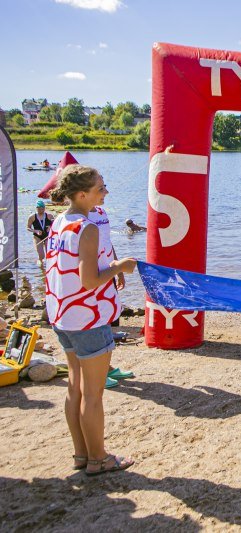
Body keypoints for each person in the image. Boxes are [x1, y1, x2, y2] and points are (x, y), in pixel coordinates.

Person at [44, 164, 137, 476]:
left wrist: (107, 265)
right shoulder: (88, 227)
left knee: (75, 388)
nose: (106, 192)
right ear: (82, 194)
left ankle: (81, 455)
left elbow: (67, 268)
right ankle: (100, 459)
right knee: (93, 394)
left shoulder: (59, 222)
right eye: (100, 188)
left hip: (62, 317)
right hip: (88, 318)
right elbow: (88, 280)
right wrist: (119, 268)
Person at [87, 206, 135, 389]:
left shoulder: (101, 212)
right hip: (94, 276)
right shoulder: (77, 216)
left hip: (108, 273)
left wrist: (118, 269)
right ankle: (96, 373)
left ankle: (107, 367)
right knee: (93, 323)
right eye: (100, 187)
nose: (105, 191)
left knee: (107, 320)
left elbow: (107, 242)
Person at [27, 199, 54, 266]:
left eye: (42, 209)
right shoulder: (32, 217)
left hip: (47, 236)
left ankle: (47, 269)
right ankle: (40, 264)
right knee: (41, 255)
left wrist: (50, 228)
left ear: (44, 208)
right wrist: (35, 231)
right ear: (36, 208)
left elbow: (55, 225)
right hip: (37, 236)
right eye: (39, 209)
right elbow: (28, 228)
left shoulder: (49, 216)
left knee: (49, 253)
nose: (41, 211)